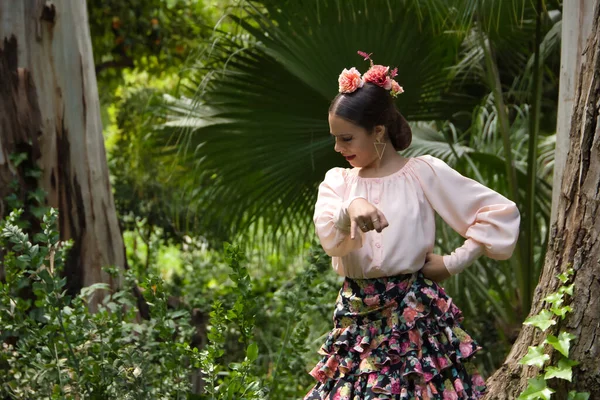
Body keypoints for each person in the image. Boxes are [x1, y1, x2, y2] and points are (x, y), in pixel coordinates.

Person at [304, 52, 520, 400]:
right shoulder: (338, 182)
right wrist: (352, 207)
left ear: (378, 131)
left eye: (346, 138)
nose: (337, 147)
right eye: (335, 137)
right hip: (357, 323)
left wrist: (454, 262)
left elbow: (498, 211)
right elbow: (330, 235)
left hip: (415, 317)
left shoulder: (422, 173)